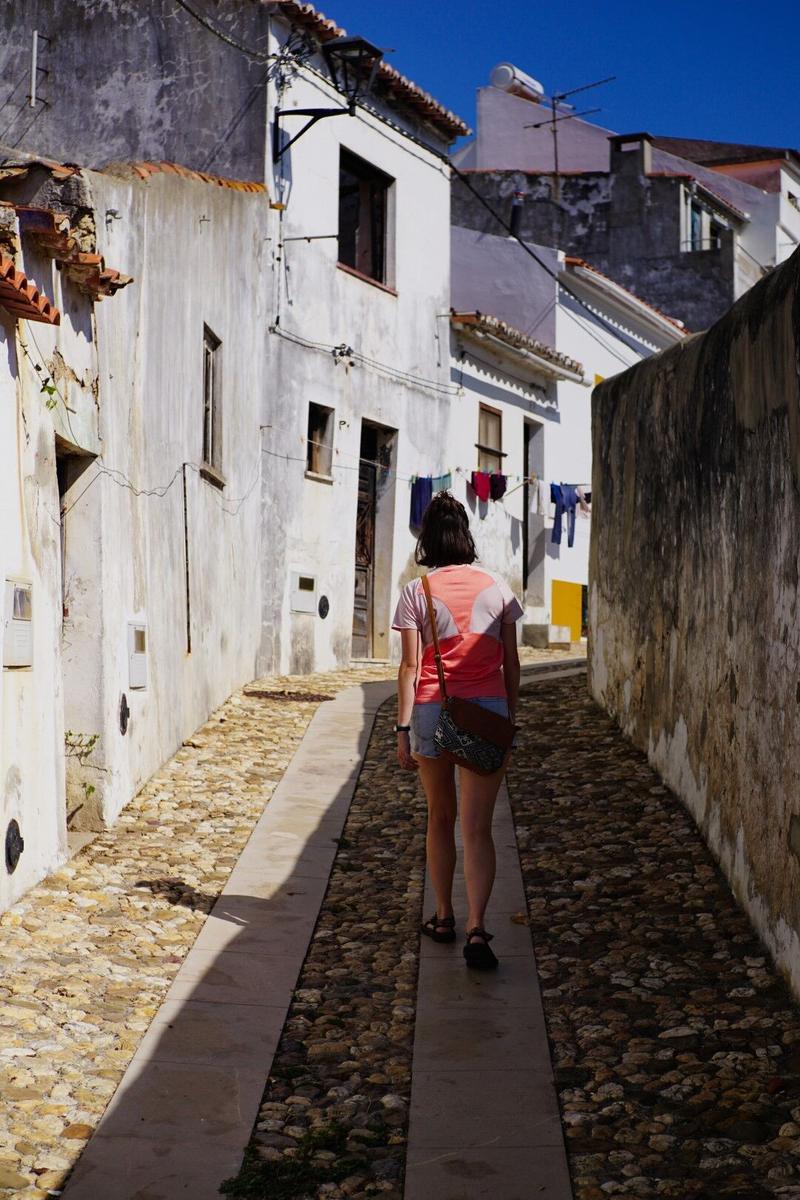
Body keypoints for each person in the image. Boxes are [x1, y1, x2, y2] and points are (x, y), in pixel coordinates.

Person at [391, 491, 523, 969]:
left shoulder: (417, 592)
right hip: (486, 712)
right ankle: (477, 929)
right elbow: (512, 663)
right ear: (466, 536)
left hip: (432, 711)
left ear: (427, 539)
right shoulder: (498, 587)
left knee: (439, 818)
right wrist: (508, 718)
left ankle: (444, 916)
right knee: (478, 828)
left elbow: (410, 668)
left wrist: (402, 729)